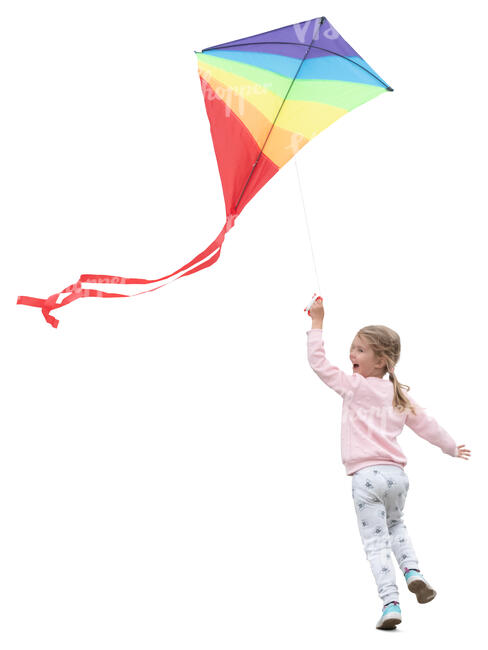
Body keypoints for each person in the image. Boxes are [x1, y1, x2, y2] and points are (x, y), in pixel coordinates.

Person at [306, 297, 471, 630]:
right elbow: (428, 425)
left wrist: (317, 322)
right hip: (397, 478)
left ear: (381, 360)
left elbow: (318, 362)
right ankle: (413, 571)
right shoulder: (398, 395)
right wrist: (451, 447)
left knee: (376, 541)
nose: (351, 355)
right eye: (352, 348)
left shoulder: (352, 387)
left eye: (360, 350)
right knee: (396, 527)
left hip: (366, 477)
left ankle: (391, 603)